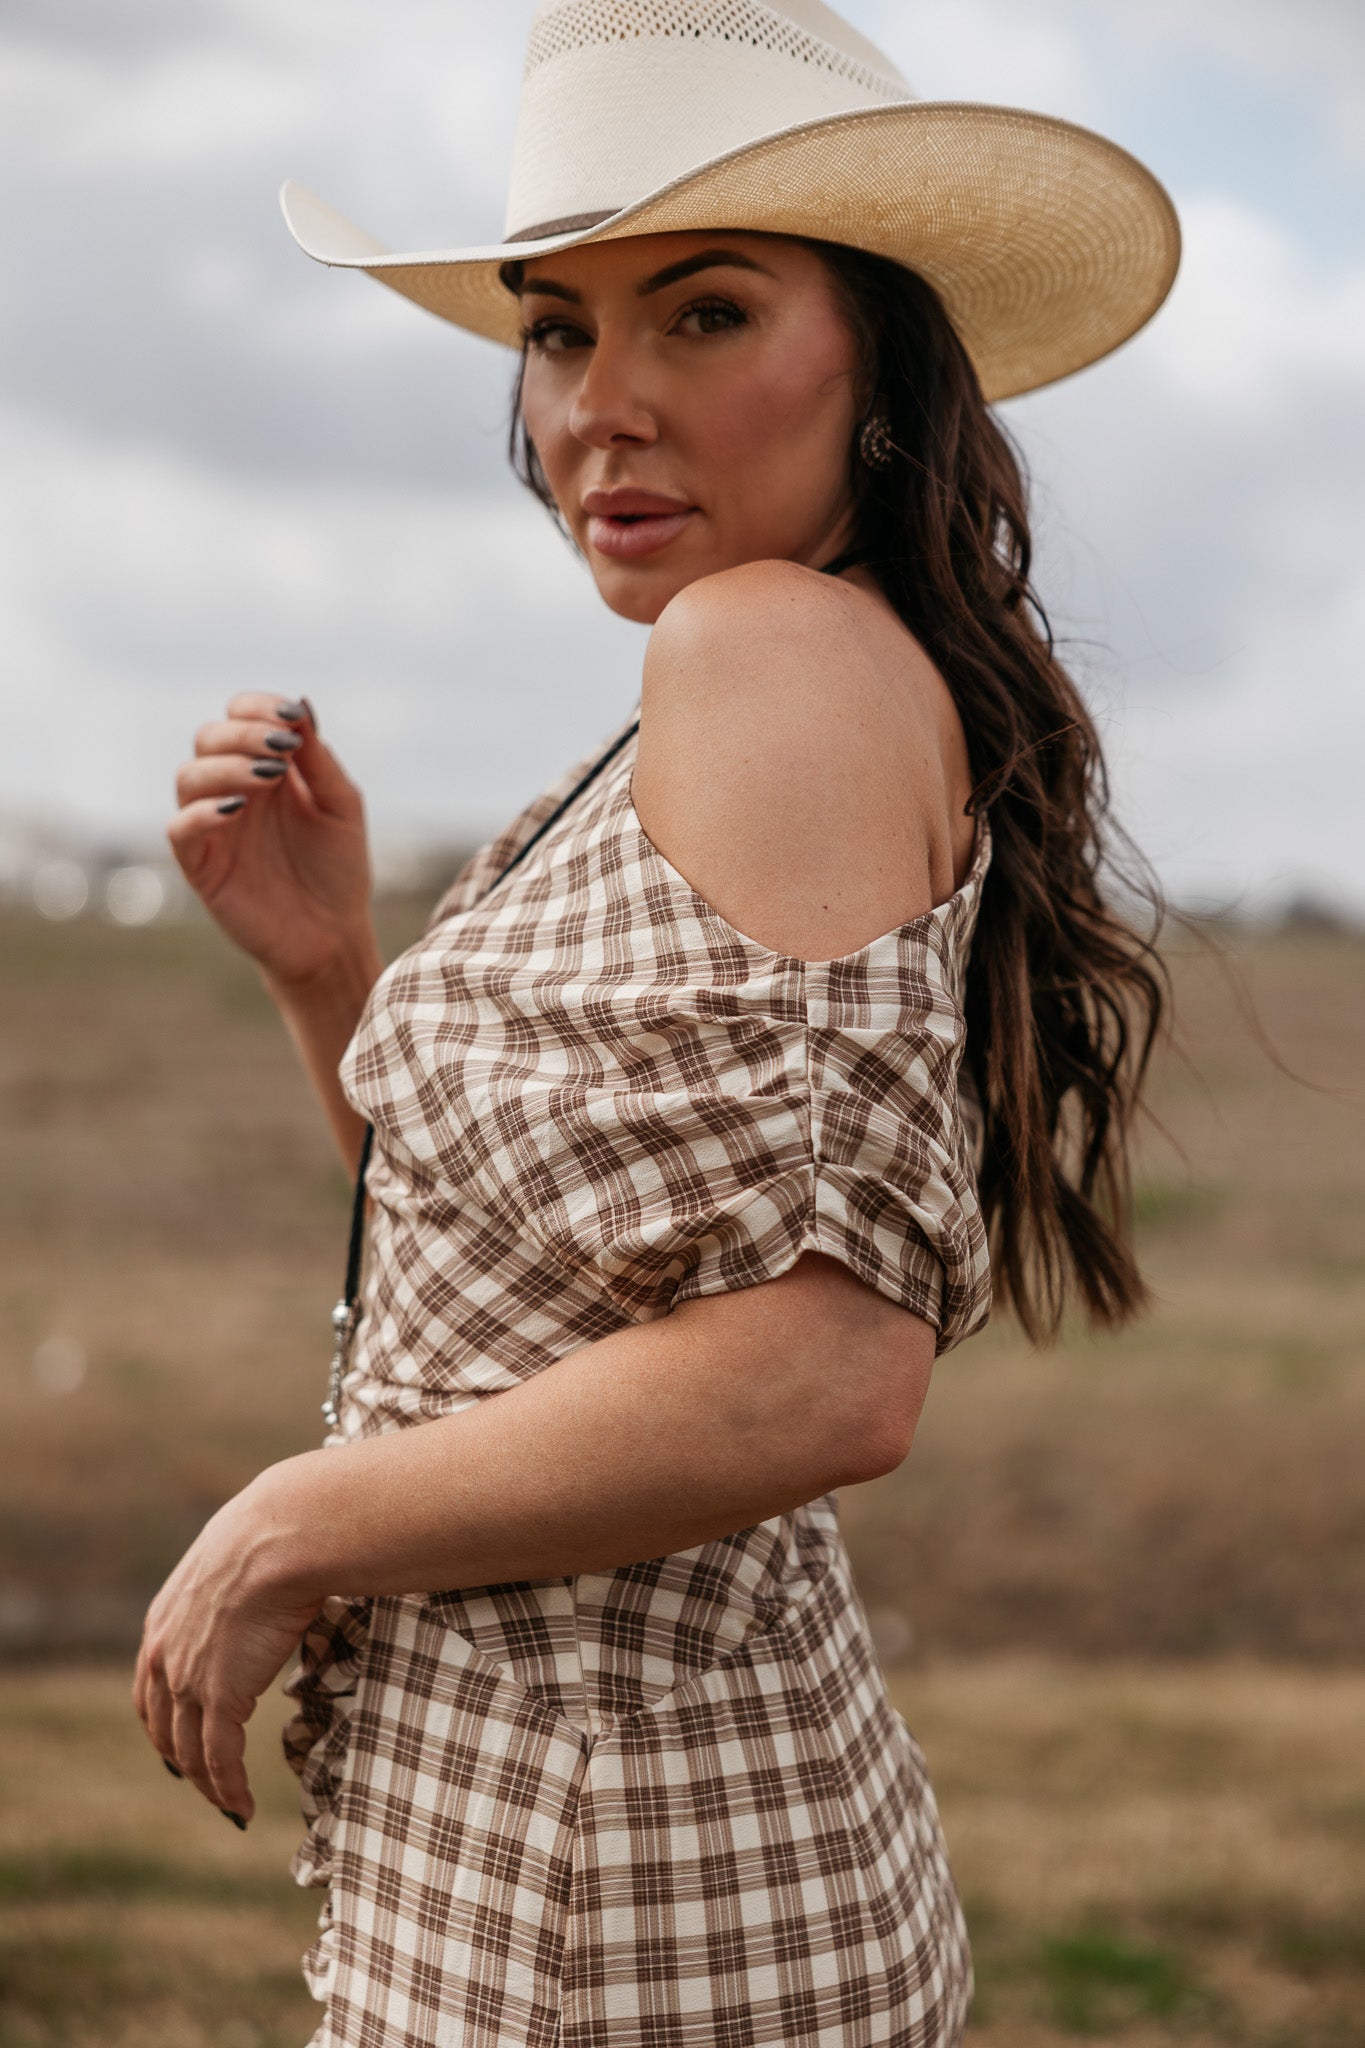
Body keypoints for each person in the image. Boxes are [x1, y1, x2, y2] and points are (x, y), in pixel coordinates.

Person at [136, 4, 1180, 2043]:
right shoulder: (756, 673)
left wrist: (287, 1522)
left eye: (698, 313)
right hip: (599, 1842)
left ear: (876, 355)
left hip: (618, 1890)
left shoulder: (763, 645)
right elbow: (583, 1298)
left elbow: (815, 1372)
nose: (598, 402)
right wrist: (324, 973)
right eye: (555, 326)